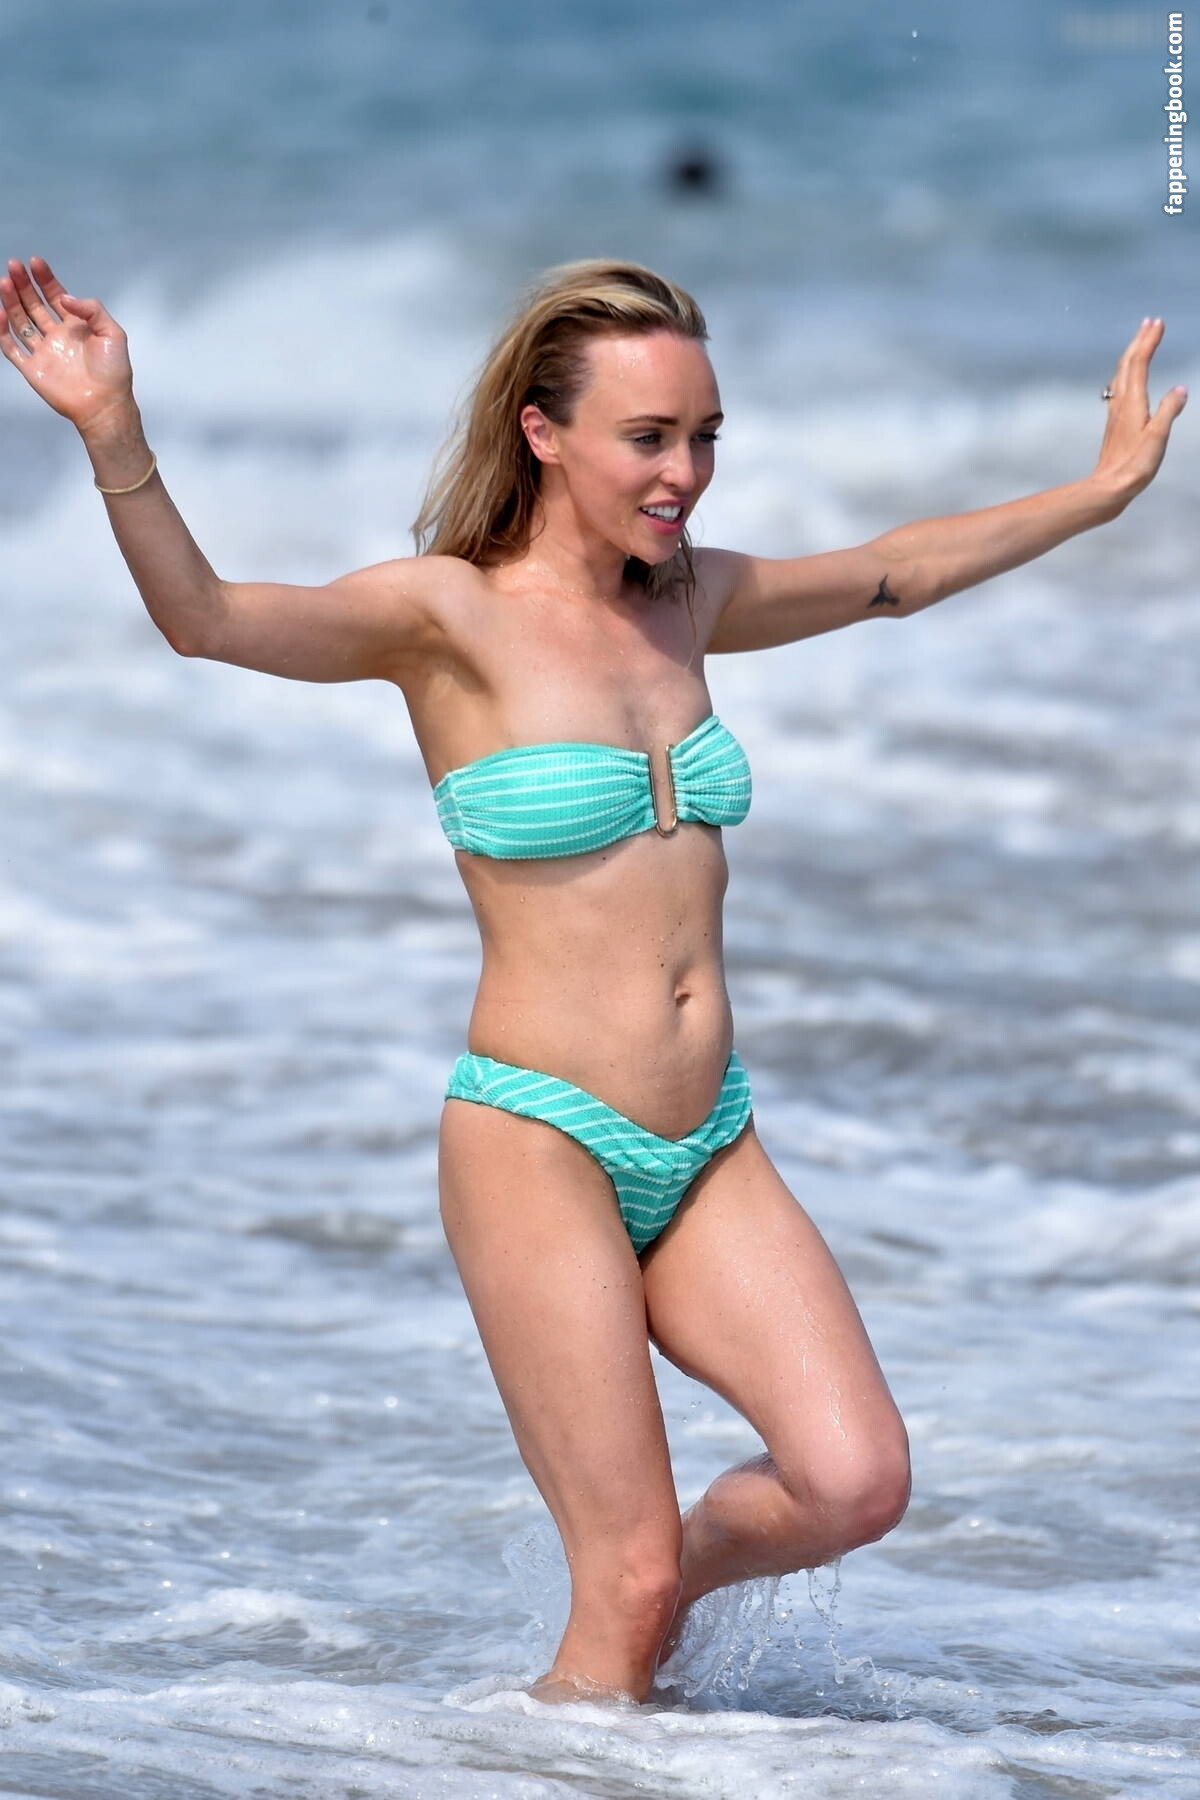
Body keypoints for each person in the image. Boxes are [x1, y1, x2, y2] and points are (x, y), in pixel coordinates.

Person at [0, 253, 1184, 1708]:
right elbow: (212, 618)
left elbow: (899, 572)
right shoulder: (448, 618)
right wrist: (111, 429)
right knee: (619, 1586)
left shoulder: (688, 602)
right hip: (538, 1137)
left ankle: (644, 1618)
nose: (685, 473)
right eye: (649, 437)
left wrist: (1102, 490)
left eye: (704, 436)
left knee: (853, 1481)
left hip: (709, 1138)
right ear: (543, 433)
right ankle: (583, 1701)